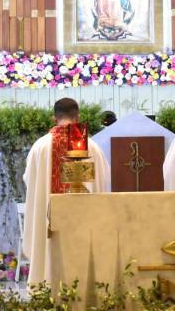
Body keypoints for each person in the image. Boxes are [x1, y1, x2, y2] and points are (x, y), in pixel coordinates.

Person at [22, 98, 110, 285]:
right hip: (82, 223)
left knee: (47, 272)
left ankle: (46, 286)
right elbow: (103, 180)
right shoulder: (90, 146)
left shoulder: (40, 146)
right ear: (78, 116)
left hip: (48, 221)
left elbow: (29, 180)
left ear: (54, 118)